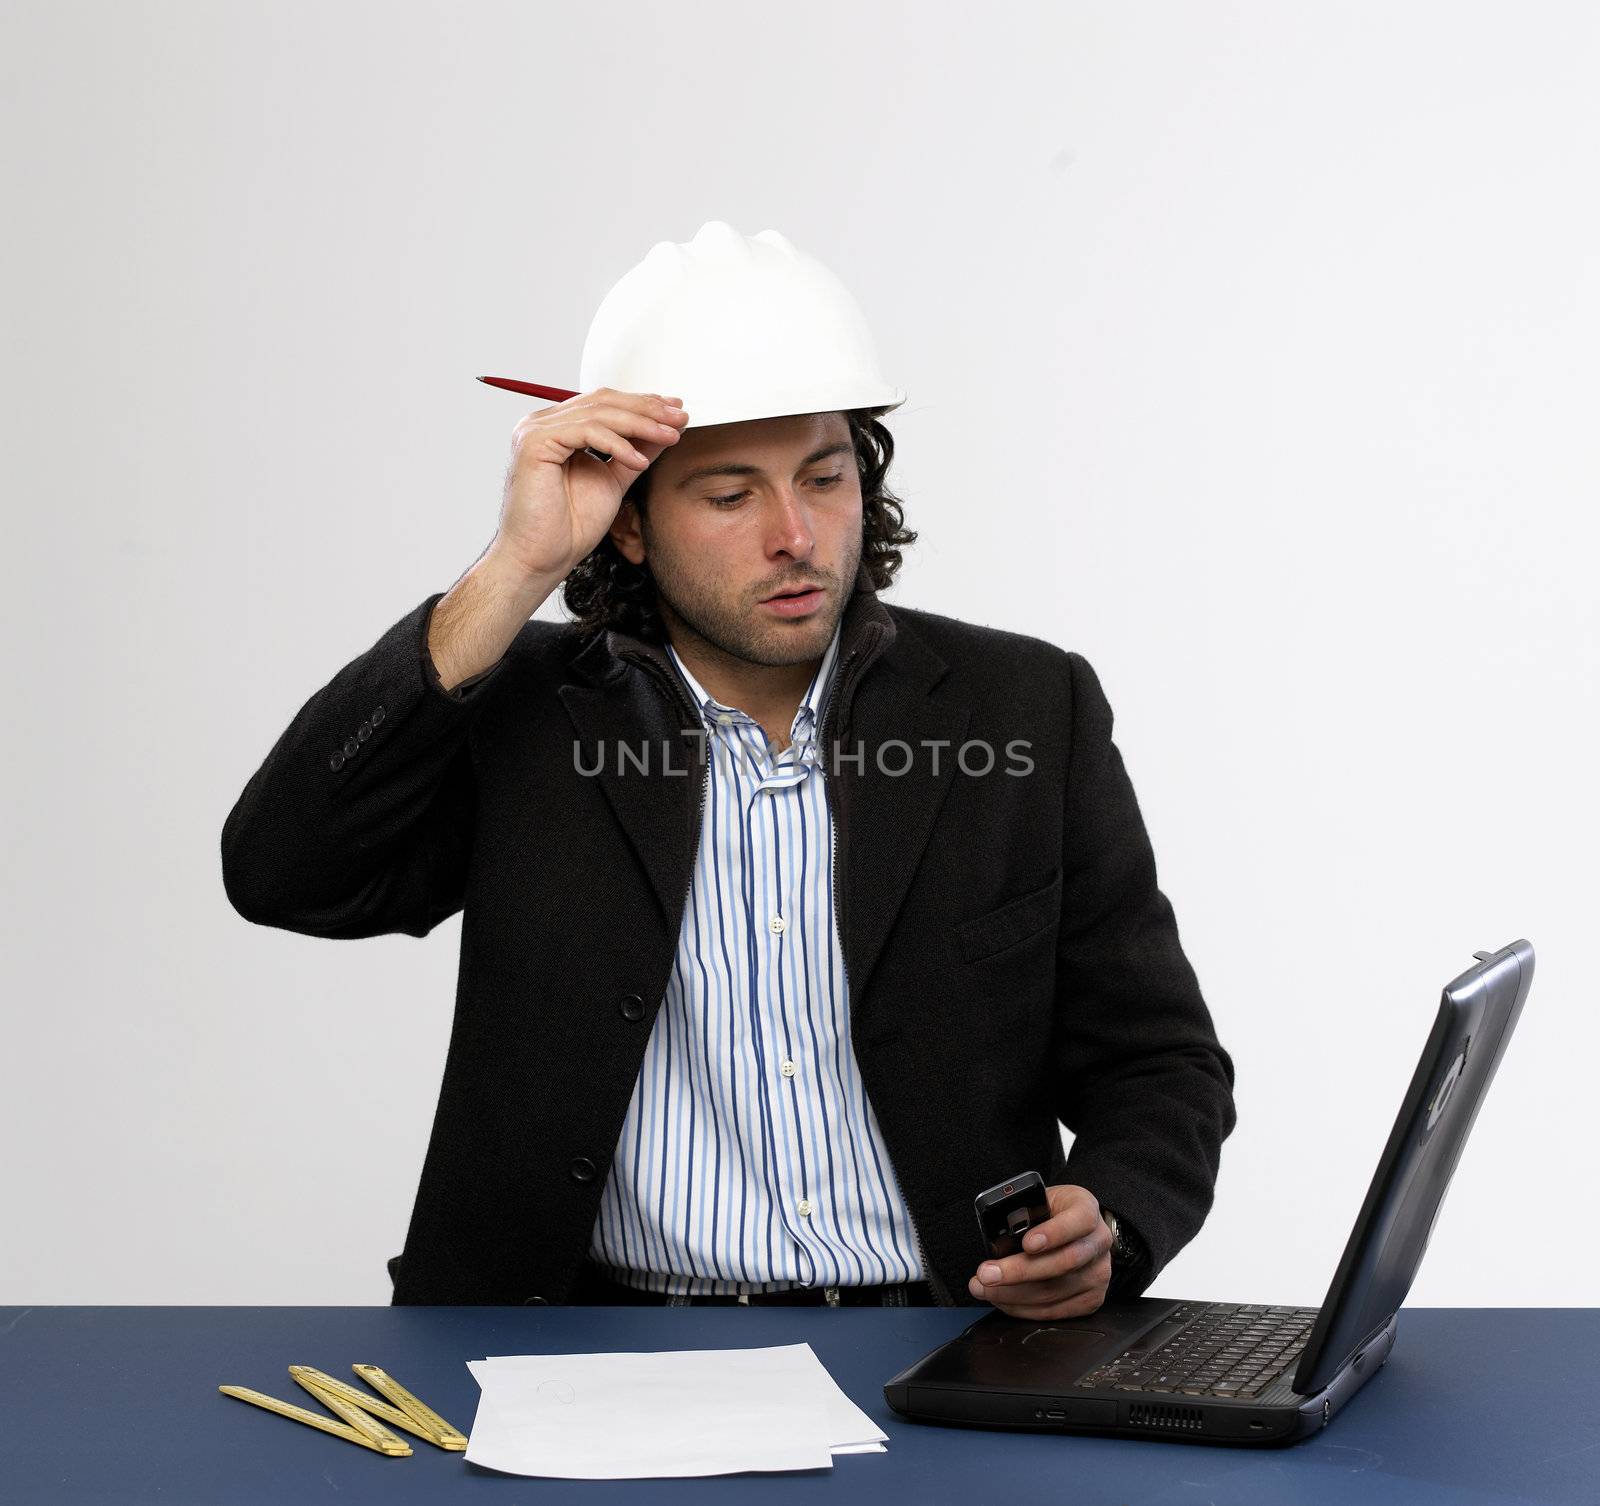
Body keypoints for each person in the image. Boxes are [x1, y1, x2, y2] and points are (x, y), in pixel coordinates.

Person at [221, 221, 1236, 1314]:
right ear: (630, 526)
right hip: (584, 1339)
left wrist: (1112, 1221)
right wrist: (515, 568)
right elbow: (285, 872)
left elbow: (1159, 1064)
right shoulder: (526, 714)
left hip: (944, 1336)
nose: (795, 533)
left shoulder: (1026, 707)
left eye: (824, 476)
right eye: (727, 494)